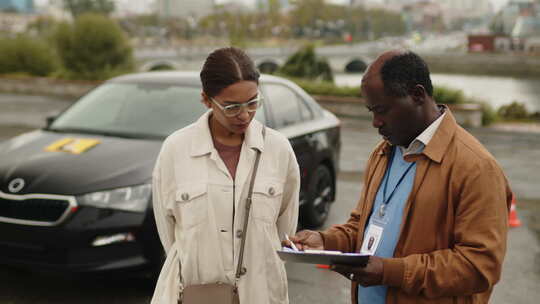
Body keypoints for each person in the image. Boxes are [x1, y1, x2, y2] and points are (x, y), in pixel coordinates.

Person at [285, 50, 512, 304]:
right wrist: (325, 240)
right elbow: (362, 227)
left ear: (417, 95)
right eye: (371, 111)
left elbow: (479, 267)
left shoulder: (477, 168)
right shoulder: (384, 153)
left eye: (382, 110)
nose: (375, 122)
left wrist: (389, 272)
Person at [151, 47, 300, 304]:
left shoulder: (278, 149)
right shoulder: (176, 150)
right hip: (198, 294)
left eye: (253, 103)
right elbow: (170, 233)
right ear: (206, 100)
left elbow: (284, 228)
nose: (244, 115)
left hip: (262, 293)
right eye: (231, 107)